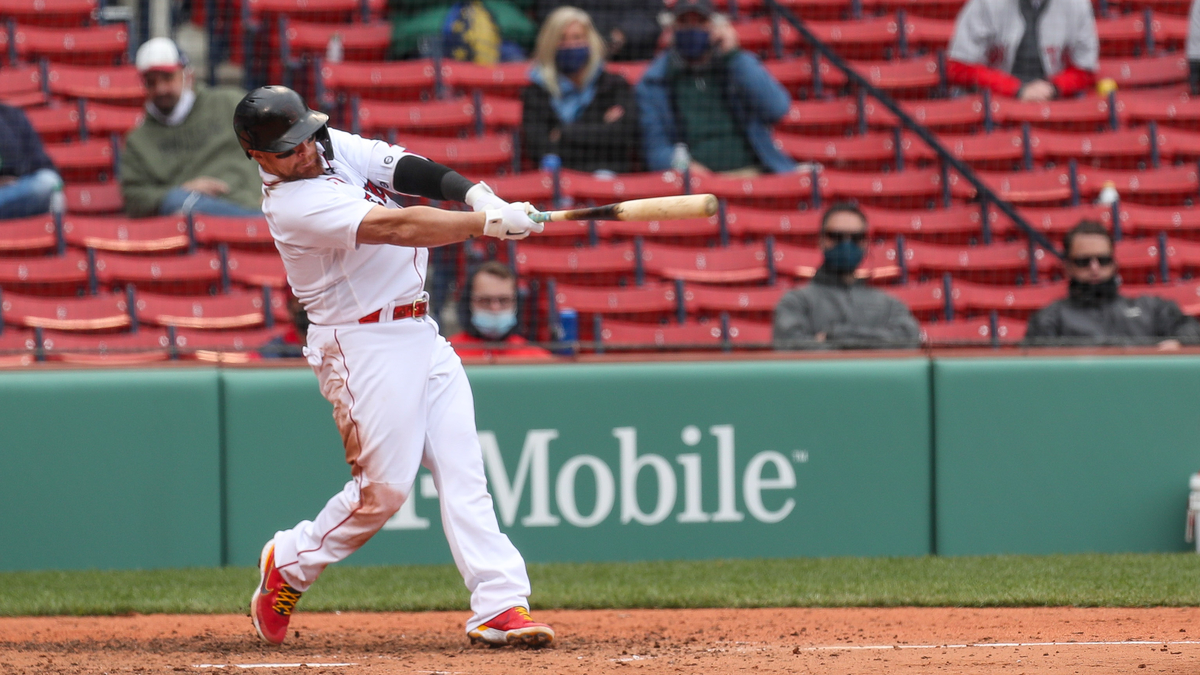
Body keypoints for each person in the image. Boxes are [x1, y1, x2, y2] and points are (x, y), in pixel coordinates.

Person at [233, 85, 554, 648]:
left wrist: (479, 195)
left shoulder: (328, 146)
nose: (305, 151)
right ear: (257, 155)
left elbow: (406, 167)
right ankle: (291, 559)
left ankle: (500, 603)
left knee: (464, 472)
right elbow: (398, 226)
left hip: (418, 331)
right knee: (383, 492)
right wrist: (487, 225)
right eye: (289, 147)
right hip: (361, 346)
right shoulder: (292, 204)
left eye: (306, 136)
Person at [636, 0, 796, 176]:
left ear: (714, 26)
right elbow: (656, 150)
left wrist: (734, 56)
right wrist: (686, 167)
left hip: (752, 172)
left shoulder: (735, 64)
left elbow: (777, 108)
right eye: (684, 22)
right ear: (671, 29)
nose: (692, 28)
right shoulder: (654, 81)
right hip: (694, 184)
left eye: (700, 22)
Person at [120, 38, 263, 217]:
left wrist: (274, 188)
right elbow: (134, 199)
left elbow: (276, 142)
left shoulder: (229, 103)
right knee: (176, 202)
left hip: (250, 202)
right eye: (151, 82)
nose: (161, 89)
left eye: (167, 78)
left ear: (188, 76)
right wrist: (184, 191)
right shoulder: (138, 140)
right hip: (191, 218)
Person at [1025, 220, 1200, 347]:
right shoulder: (1051, 319)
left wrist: (1177, 342)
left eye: (1103, 260)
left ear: (1114, 264)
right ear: (1067, 267)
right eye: (1084, 261)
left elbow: (1191, 329)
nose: (1094, 268)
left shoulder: (1150, 308)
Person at [773, 203, 920, 349]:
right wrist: (873, 343)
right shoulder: (796, 302)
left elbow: (908, 341)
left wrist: (833, 336)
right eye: (837, 236)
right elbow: (793, 350)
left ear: (866, 243)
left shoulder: (890, 305)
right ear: (821, 240)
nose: (846, 244)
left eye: (856, 238)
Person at [521, 6, 639, 173]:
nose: (570, 45)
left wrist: (563, 133)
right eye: (562, 39)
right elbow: (538, 147)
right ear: (550, 44)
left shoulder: (614, 85)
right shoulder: (536, 92)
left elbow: (621, 136)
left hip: (607, 176)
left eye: (577, 38)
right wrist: (599, 128)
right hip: (559, 181)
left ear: (590, 41)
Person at [946, 0, 1098, 101]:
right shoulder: (985, 3)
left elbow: (1086, 69)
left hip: (1053, 101)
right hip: (996, 100)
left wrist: (1054, 88)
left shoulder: (1077, 4)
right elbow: (958, 67)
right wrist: (1014, 88)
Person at [449, 261, 553, 358]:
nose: (495, 308)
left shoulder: (536, 358)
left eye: (504, 300)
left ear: (516, 303)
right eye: (485, 300)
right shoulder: (447, 355)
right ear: (469, 303)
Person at [534, 0, 664, 61]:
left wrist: (624, 35)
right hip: (571, 55)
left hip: (629, 55)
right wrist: (578, 36)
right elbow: (548, 14)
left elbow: (655, 16)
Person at [0, 104, 62, 220]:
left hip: (18, 191)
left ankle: (48, 234)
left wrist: (16, 177)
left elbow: (42, 164)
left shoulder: (12, 116)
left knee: (49, 184)